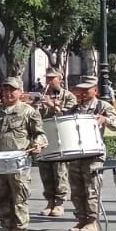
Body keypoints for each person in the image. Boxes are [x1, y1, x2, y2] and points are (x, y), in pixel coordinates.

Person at [0, 78, 45, 231]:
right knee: (2, 197)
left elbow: (39, 133)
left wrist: (37, 144)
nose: (8, 93)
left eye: (12, 90)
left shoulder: (29, 111)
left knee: (19, 196)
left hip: (19, 162)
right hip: (0, 161)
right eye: (5, 90)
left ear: (20, 92)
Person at [65, 78, 116, 231]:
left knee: (92, 189)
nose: (82, 93)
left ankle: (92, 222)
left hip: (94, 154)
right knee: (76, 189)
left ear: (95, 91)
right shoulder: (75, 108)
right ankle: (81, 219)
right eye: (80, 90)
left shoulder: (103, 106)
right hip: (76, 153)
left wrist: (105, 119)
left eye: (86, 90)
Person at [36, 70, 77, 217]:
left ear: (59, 79)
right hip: (45, 137)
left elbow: (69, 115)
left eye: (52, 79)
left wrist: (53, 105)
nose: (49, 81)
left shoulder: (68, 96)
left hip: (60, 137)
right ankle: (49, 201)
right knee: (45, 170)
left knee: (60, 171)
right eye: (47, 78)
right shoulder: (42, 94)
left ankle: (59, 203)